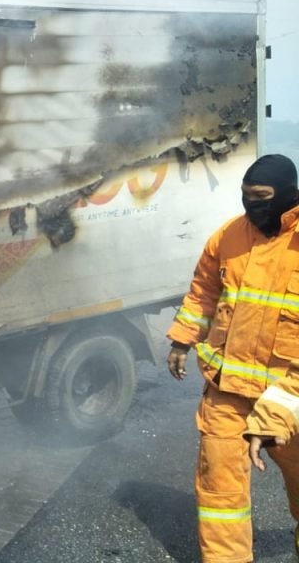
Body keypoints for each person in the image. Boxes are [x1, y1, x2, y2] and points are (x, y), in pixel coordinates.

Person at [167, 153, 299, 563]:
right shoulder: (228, 237)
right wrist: (182, 339)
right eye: (245, 196)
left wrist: (279, 410)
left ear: (288, 196)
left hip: (290, 396)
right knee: (219, 492)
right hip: (227, 393)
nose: (251, 205)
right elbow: (204, 292)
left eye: (261, 197)